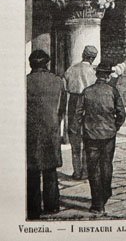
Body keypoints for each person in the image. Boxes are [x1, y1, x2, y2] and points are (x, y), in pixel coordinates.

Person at [75, 60, 126, 215]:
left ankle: (97, 204)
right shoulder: (113, 91)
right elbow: (121, 114)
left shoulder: (87, 91)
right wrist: (114, 127)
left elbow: (77, 114)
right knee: (106, 165)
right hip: (109, 135)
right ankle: (105, 194)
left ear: (97, 74)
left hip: (91, 135)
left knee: (93, 168)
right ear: (108, 76)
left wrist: (82, 128)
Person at [26, 50, 67, 219]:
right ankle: (52, 205)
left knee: (32, 171)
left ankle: (34, 209)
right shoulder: (57, 81)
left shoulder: (25, 82)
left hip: (31, 132)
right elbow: (62, 108)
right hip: (51, 131)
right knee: (50, 170)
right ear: (46, 64)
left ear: (31, 64)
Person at [63, 45, 97, 180]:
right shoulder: (92, 71)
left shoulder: (71, 69)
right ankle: (86, 172)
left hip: (73, 103)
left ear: (83, 54)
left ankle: (77, 172)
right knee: (88, 141)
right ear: (92, 58)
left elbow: (65, 86)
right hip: (87, 105)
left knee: (75, 141)